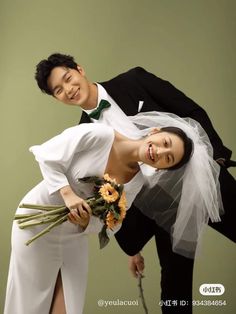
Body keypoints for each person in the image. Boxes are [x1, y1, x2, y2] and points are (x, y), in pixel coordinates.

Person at [34, 53, 235, 313]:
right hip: (162, 210)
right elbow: (109, 195)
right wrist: (132, 249)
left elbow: (190, 111)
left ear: (80, 70)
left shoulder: (133, 80)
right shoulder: (83, 134)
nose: (69, 90)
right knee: (175, 291)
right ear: (56, 98)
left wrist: (215, 158)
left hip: (200, 179)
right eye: (58, 90)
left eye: (68, 78)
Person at [5, 120, 196, 314]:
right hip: (38, 220)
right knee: (28, 304)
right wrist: (68, 194)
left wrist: (87, 222)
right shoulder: (100, 134)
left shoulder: (136, 182)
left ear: (161, 169)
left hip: (73, 237)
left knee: (69, 306)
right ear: (155, 131)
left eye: (168, 158)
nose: (160, 152)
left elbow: (113, 225)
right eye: (165, 143)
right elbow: (46, 155)